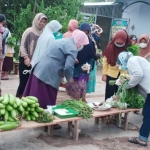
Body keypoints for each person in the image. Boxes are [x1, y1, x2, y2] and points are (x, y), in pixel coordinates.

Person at [23, 29, 89, 108]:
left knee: (33, 98)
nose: (82, 46)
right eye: (82, 44)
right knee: (45, 102)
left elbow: (56, 55)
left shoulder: (62, 41)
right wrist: (69, 79)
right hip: (48, 74)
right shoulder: (72, 47)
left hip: (39, 69)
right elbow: (68, 67)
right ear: (79, 42)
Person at [117, 51, 150, 147]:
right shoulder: (138, 59)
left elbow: (138, 75)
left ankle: (142, 139)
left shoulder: (132, 60)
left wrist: (127, 85)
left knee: (147, 113)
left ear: (122, 59)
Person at [16, 13, 47, 98]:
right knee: (23, 81)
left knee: (32, 82)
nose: (42, 23)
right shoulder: (28, 31)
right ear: (37, 21)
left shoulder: (44, 33)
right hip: (25, 59)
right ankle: (19, 98)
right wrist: (26, 58)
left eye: (44, 22)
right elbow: (22, 45)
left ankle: (28, 99)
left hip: (36, 61)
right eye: (41, 21)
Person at [66, 22, 95, 102]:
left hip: (83, 70)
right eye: (83, 31)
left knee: (81, 89)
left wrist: (89, 66)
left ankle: (82, 101)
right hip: (73, 69)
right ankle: (73, 102)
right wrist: (72, 59)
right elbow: (67, 54)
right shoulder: (72, 41)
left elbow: (91, 57)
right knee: (72, 91)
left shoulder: (89, 43)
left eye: (87, 32)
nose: (85, 34)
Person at [102, 30, 131, 100]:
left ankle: (118, 109)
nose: (119, 44)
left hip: (123, 75)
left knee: (120, 94)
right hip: (111, 74)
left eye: (121, 43)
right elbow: (105, 61)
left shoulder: (128, 48)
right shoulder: (110, 47)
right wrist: (104, 74)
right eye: (117, 43)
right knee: (109, 94)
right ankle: (108, 107)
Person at [86, 24, 103, 93]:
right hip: (88, 63)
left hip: (93, 63)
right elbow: (90, 54)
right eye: (97, 33)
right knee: (86, 80)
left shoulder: (94, 41)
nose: (99, 35)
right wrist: (98, 56)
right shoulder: (89, 41)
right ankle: (82, 97)